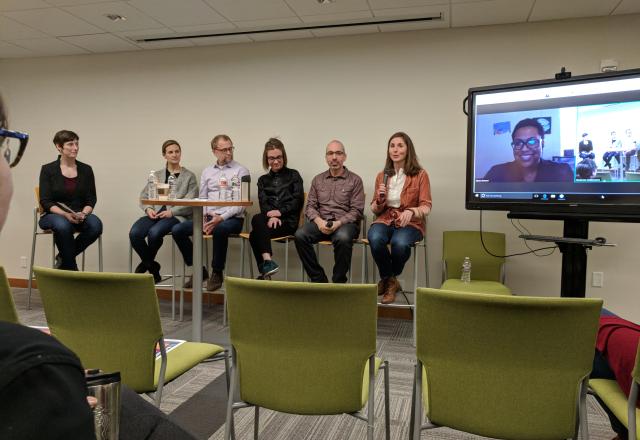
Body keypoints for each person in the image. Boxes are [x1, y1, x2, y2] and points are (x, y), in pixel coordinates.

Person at [172, 134, 249, 291]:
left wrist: (220, 218)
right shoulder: (207, 171)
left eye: (230, 148)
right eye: (224, 149)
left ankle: (217, 272)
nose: (229, 152)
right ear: (215, 151)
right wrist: (207, 216)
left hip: (232, 218)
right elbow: (203, 198)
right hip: (208, 217)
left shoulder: (241, 171)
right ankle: (199, 269)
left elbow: (241, 204)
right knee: (177, 230)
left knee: (220, 229)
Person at [368, 132, 432, 304]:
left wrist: (411, 211)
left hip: (411, 222)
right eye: (392, 146)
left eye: (400, 146)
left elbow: (427, 206)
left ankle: (387, 281)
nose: (395, 150)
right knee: (374, 237)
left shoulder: (420, 175)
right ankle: (391, 281)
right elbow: (374, 208)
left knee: (400, 243)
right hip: (385, 218)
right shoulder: (382, 175)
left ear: (407, 149)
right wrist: (380, 200)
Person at [294, 140, 364, 283]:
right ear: (326, 158)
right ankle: (319, 279)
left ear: (344, 156)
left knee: (343, 238)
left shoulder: (355, 180)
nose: (334, 157)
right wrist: (319, 222)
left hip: (345, 224)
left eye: (338, 153)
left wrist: (338, 223)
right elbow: (310, 207)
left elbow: (357, 210)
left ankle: (338, 282)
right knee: (300, 235)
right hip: (321, 222)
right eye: (330, 153)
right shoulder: (317, 180)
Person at [129, 140, 197, 283]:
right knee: (135, 233)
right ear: (164, 155)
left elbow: (191, 202)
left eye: (177, 151)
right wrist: (148, 209)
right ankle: (153, 267)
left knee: (154, 233)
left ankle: (146, 265)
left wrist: (172, 212)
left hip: (176, 216)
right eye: (170, 152)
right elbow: (144, 196)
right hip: (156, 213)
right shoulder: (157, 175)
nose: (174, 155)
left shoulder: (189, 176)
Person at [38, 130, 103, 270]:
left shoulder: (86, 170)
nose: (75, 148)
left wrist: (84, 214)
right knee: (63, 226)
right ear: (59, 147)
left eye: (77, 144)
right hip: (53, 215)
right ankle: (72, 270)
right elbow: (46, 201)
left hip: (79, 214)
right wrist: (65, 214)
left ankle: (64, 257)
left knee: (96, 225)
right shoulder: (48, 170)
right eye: (70, 144)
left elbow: (91, 199)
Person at [249, 138, 303, 279]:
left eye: (278, 157)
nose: (276, 161)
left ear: (283, 157)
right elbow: (264, 204)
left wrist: (279, 213)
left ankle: (266, 267)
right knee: (255, 227)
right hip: (269, 222)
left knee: (255, 231)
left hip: (288, 223)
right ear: (266, 160)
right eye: (271, 158)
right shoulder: (262, 180)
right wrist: (271, 216)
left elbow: (297, 201)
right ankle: (268, 263)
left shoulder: (294, 175)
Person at [483, 118, 574, 183]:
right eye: (518, 143)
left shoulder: (561, 171)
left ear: (542, 144)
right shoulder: (496, 172)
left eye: (532, 142)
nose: (524, 149)